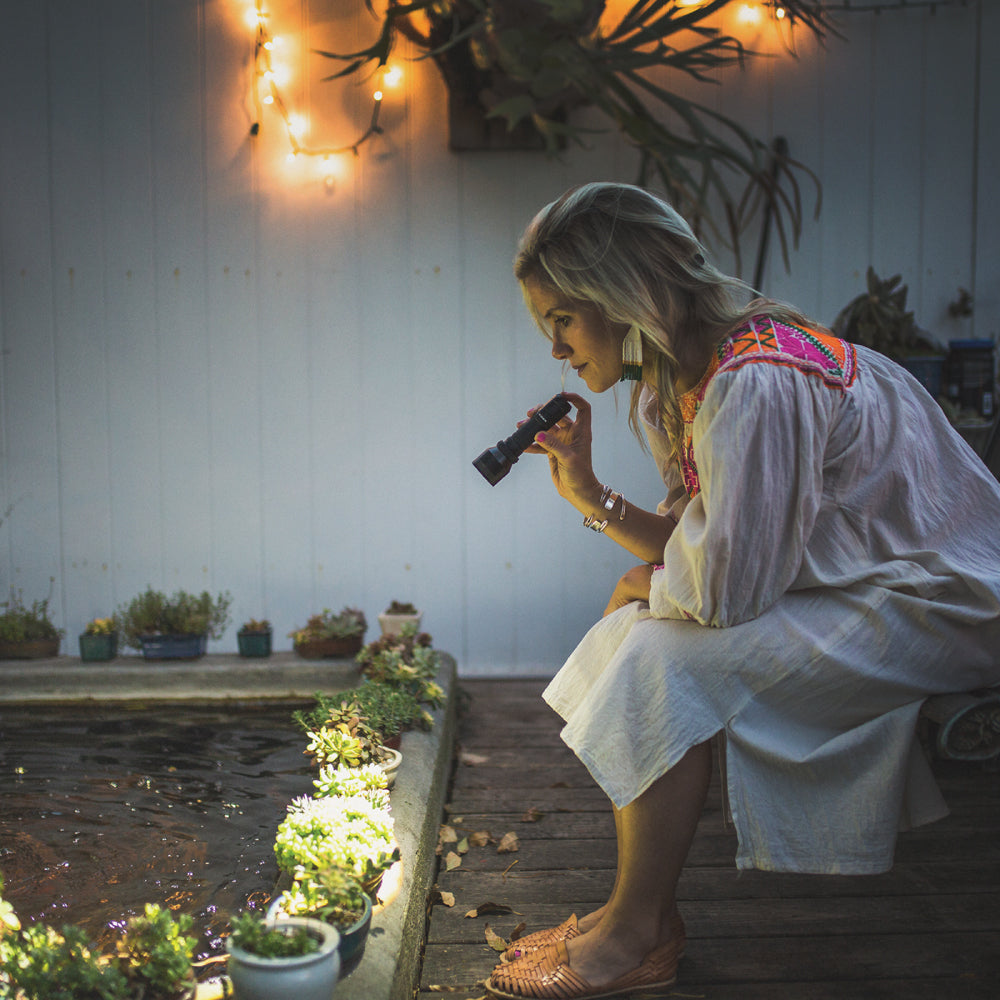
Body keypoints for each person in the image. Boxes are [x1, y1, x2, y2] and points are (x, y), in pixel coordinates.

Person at [485, 182, 1000, 1000]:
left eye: (562, 320)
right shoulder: (689, 381)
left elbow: (725, 589)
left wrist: (647, 578)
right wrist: (590, 495)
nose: (556, 350)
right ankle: (638, 912)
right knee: (637, 635)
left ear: (625, 294)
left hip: (942, 600)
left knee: (658, 657)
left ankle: (636, 935)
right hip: (867, 585)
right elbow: (708, 544)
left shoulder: (755, 379)